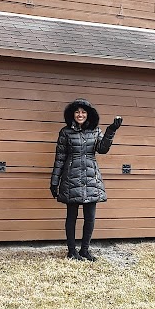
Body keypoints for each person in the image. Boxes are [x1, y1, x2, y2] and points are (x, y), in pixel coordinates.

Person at [50, 99, 123, 261]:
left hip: (91, 177)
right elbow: (60, 159)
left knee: (90, 217)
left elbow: (102, 149)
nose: (80, 115)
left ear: (88, 114)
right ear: (72, 114)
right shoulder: (65, 132)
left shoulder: (95, 131)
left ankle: (85, 250)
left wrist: (111, 130)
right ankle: (71, 251)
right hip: (71, 178)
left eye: (83, 112)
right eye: (77, 112)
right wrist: (54, 181)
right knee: (72, 216)